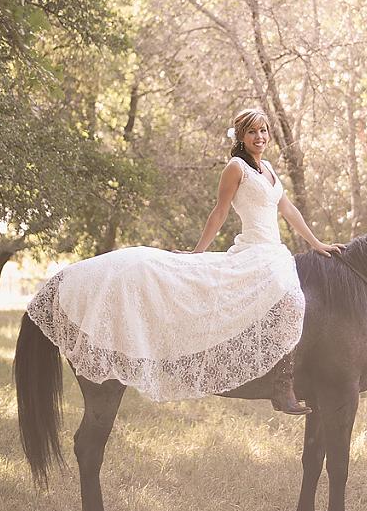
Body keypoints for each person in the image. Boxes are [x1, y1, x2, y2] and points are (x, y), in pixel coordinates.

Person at [26, 107, 342, 414]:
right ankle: (282, 388)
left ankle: (281, 377)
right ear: (241, 137)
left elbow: (287, 210)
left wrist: (316, 243)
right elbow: (219, 212)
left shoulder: (270, 168)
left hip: (274, 250)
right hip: (255, 251)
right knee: (292, 300)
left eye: (263, 130)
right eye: (252, 131)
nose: (259, 136)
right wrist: (197, 252)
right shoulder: (236, 167)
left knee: (289, 299)